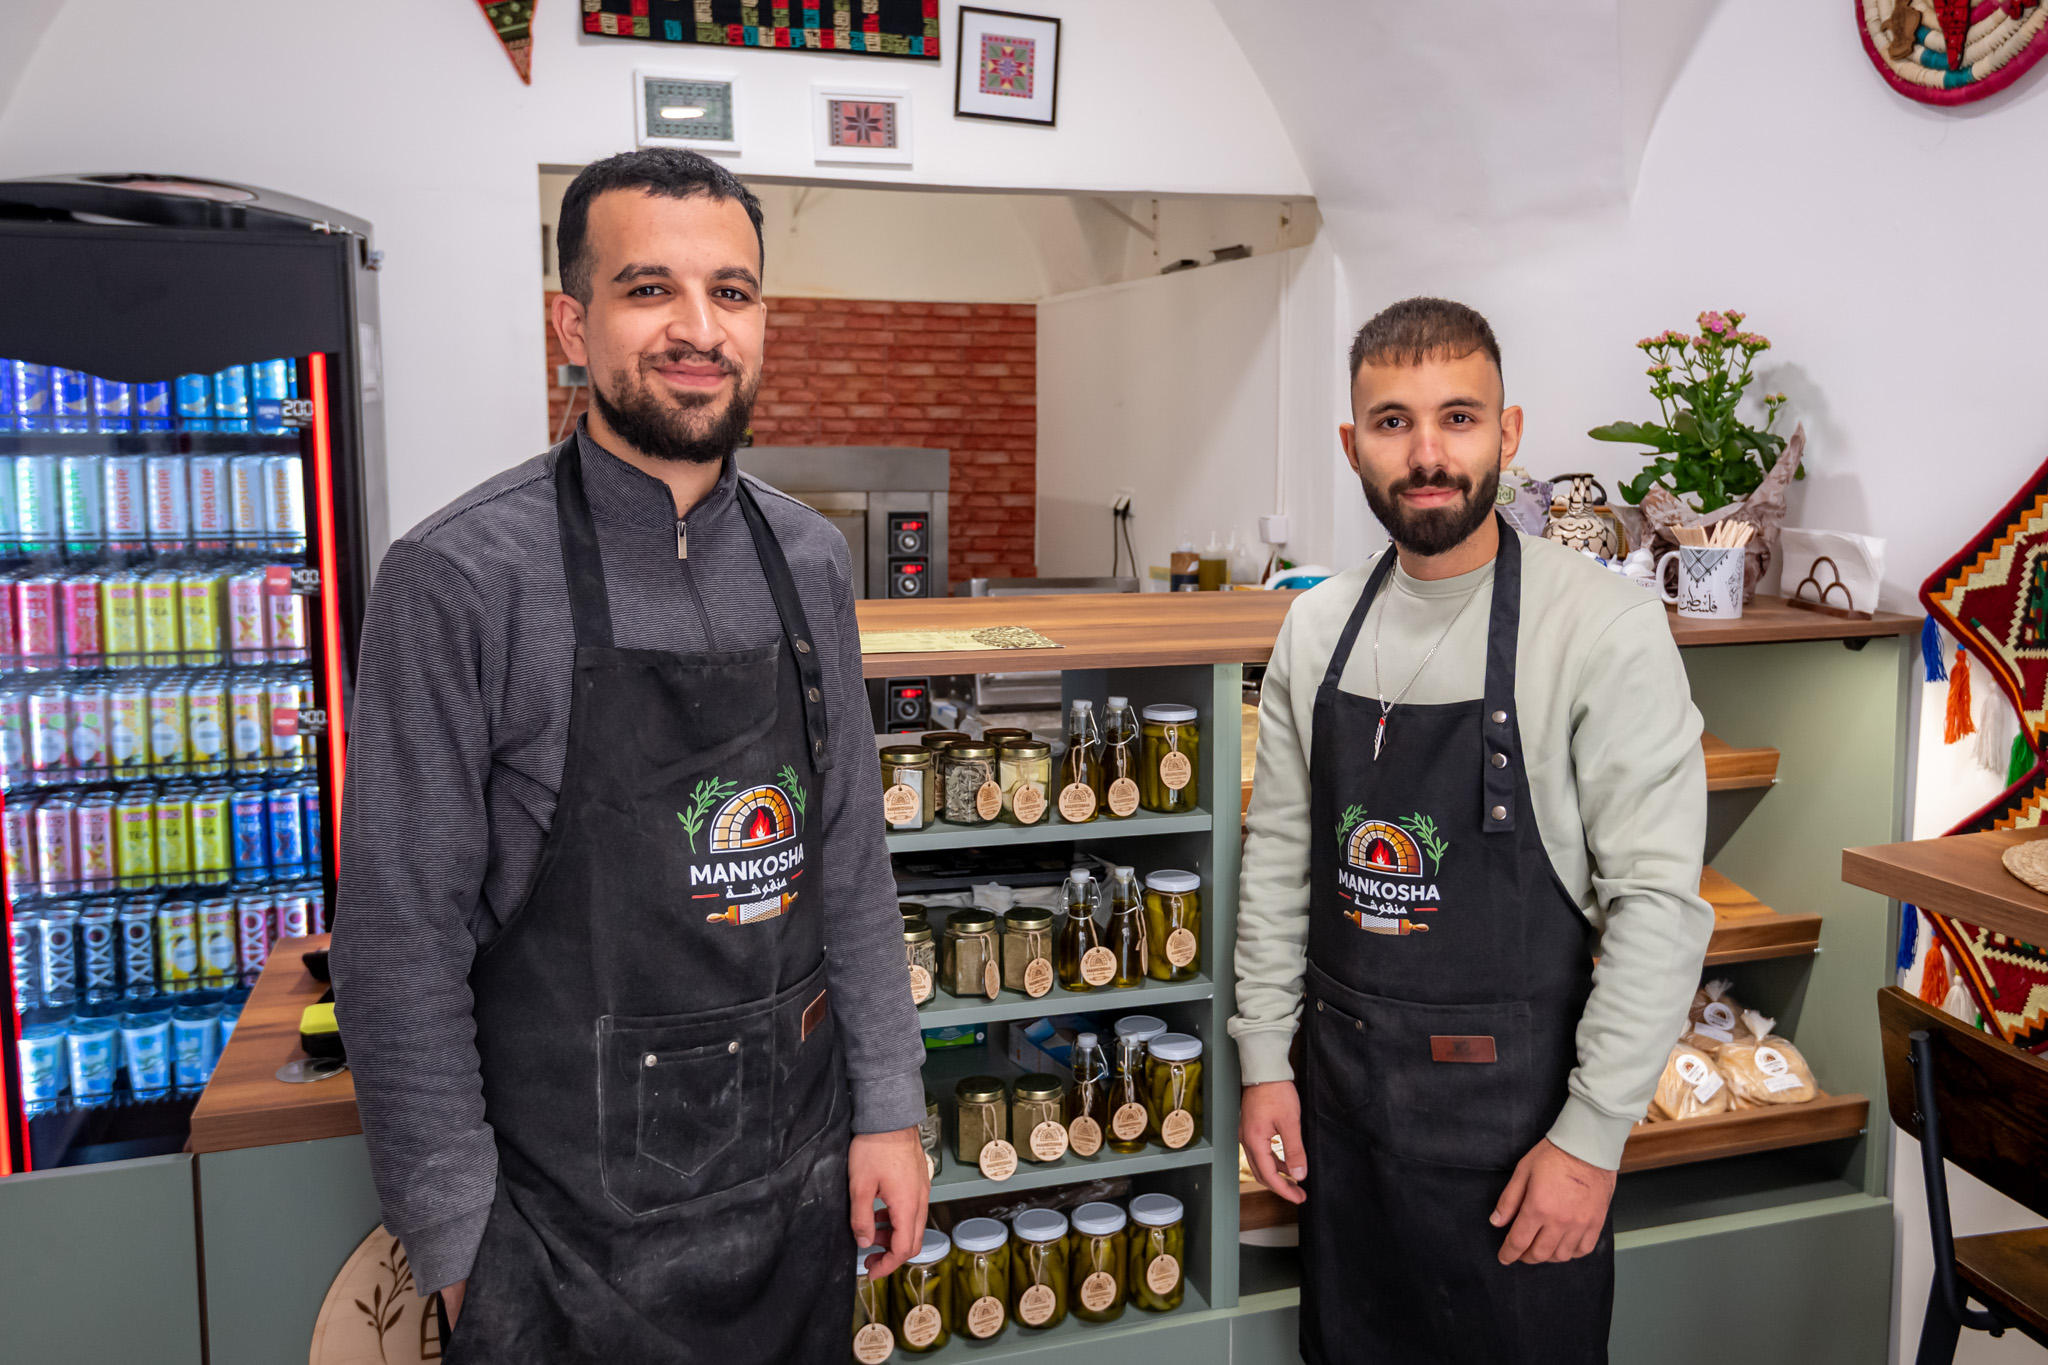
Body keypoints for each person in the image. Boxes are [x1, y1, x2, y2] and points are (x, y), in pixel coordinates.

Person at [331, 148, 929, 1363]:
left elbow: (849, 866)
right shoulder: (456, 579)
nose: (698, 330)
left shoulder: (809, 561)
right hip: (562, 1236)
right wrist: (457, 1240)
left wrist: (891, 1113)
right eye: (649, 289)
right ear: (573, 320)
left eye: (734, 292)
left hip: (796, 1190)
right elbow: (398, 940)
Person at [1231, 297, 1712, 1363]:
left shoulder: (1601, 626)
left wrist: (1588, 1144)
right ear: (1351, 445)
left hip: (1520, 1145)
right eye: (1393, 423)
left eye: (1458, 416)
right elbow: (1277, 863)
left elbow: (1657, 910)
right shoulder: (1316, 625)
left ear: (1510, 432)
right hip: (1343, 1132)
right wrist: (1265, 1060)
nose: (1427, 453)